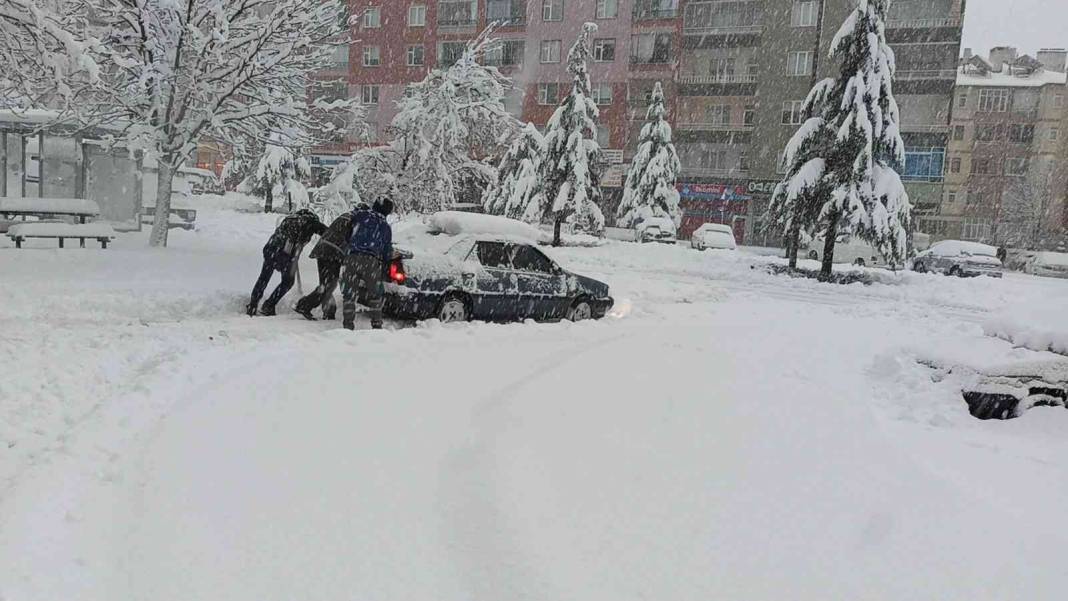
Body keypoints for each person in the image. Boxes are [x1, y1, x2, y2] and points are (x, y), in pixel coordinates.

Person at [247, 209, 326, 316]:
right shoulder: (311, 222)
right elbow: (326, 232)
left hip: (270, 249)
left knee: (264, 278)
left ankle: (253, 305)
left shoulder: (290, 219)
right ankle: (269, 305)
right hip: (283, 254)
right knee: (288, 281)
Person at [294, 206, 363, 320]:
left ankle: (329, 311)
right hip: (332, 253)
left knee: (327, 284)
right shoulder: (355, 222)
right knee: (328, 285)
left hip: (323, 249)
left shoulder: (345, 216)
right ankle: (304, 305)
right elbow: (353, 241)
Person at [341, 198, 393, 330]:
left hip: (352, 257)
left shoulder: (361, 215)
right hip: (371, 261)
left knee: (349, 293)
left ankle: (347, 325)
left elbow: (347, 233)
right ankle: (376, 324)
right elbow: (387, 251)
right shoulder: (385, 226)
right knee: (375, 294)